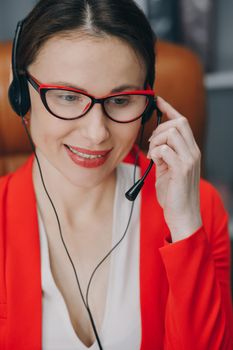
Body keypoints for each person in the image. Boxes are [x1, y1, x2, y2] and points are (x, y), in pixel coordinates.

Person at [0, 0, 233, 349]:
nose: (97, 134)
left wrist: (185, 227)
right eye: (66, 96)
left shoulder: (199, 209)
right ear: (21, 96)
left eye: (121, 101)